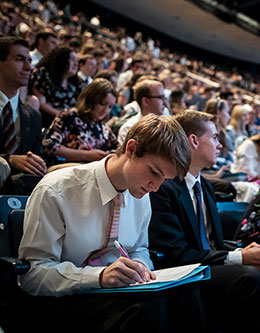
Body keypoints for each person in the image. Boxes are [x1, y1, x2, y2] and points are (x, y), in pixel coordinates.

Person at [18, 114, 205, 332]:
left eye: (164, 180)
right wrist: (99, 277)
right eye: (153, 172)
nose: (155, 187)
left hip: (114, 295)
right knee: (148, 308)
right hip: (62, 300)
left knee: (187, 294)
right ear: (131, 149)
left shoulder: (142, 195)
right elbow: (33, 275)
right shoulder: (57, 191)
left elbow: (140, 249)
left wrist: (141, 267)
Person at [149, 110, 260, 332]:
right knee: (249, 275)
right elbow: (175, 255)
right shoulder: (164, 188)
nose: (220, 145)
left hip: (207, 263)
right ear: (194, 141)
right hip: (182, 270)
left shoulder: (205, 186)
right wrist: (240, 257)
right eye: (215, 137)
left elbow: (212, 243)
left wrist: (243, 249)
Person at [0, 36, 46, 194]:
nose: (28, 67)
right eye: (20, 59)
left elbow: (37, 159)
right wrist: (10, 160)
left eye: (29, 60)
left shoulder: (33, 115)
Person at [42, 78, 118, 164]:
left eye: (110, 107)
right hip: (66, 168)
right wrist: (87, 155)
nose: (105, 110)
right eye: (102, 104)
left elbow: (118, 149)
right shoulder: (69, 116)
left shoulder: (103, 127)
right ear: (90, 100)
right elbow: (49, 146)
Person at [29, 46, 82, 128]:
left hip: (67, 122)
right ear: (61, 59)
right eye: (72, 59)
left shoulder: (75, 83)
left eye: (77, 61)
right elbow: (42, 104)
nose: (76, 64)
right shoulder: (43, 74)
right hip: (47, 121)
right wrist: (63, 116)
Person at [117, 79, 167, 144]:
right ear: (145, 101)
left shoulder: (166, 123)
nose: (165, 102)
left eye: (164, 98)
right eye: (160, 97)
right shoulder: (129, 128)